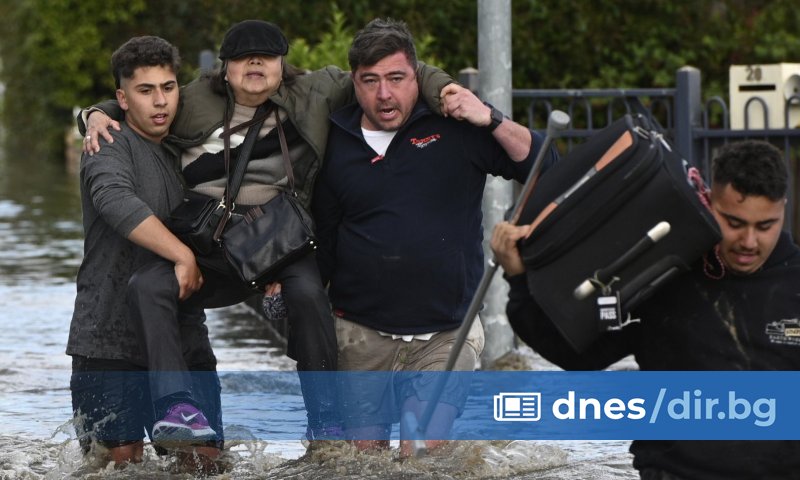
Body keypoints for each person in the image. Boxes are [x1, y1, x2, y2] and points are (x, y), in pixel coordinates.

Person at [80, 19, 454, 445]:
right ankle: (176, 405)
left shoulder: (315, 91)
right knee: (147, 283)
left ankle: (325, 418)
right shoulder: (191, 99)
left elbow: (396, 71)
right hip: (207, 241)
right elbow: (141, 99)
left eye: (267, 56)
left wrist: (446, 90)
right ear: (224, 68)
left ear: (282, 65)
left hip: (277, 239)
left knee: (310, 295)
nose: (254, 63)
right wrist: (92, 115)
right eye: (242, 57)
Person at [311, 18, 557, 457]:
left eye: (396, 78)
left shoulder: (455, 127)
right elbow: (325, 238)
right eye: (370, 81)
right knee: (361, 462)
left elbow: (544, 164)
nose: (384, 94)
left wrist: (491, 117)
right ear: (354, 82)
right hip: (359, 334)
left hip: (446, 333)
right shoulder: (335, 137)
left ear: (416, 76)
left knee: (420, 457)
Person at [490, 139, 800, 479]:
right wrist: (519, 282)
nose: (749, 242)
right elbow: (578, 354)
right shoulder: (663, 269)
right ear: (710, 202)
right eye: (735, 223)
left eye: (765, 226)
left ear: (784, 208)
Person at [67, 36, 222, 469]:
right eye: (145, 90)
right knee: (118, 465)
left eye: (168, 88)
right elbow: (114, 199)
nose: (160, 102)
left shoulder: (186, 145)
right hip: (108, 337)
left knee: (206, 463)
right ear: (123, 98)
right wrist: (182, 256)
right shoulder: (107, 143)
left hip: (183, 331)